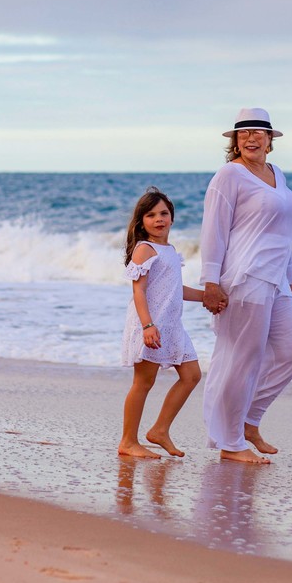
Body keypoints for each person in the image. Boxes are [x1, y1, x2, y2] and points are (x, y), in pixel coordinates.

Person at [200, 108, 292, 465]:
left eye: (258, 132)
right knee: (241, 362)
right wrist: (210, 283)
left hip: (275, 282)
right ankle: (231, 443)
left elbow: (283, 236)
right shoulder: (229, 175)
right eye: (243, 133)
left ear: (270, 140)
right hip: (243, 280)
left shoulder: (277, 173)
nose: (250, 137)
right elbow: (213, 230)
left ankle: (248, 421)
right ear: (235, 141)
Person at [118, 188, 205, 459]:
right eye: (151, 214)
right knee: (143, 382)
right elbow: (138, 291)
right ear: (141, 222)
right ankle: (128, 441)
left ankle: (159, 430)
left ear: (172, 217)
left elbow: (175, 289)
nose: (159, 219)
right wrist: (147, 326)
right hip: (150, 326)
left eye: (164, 213)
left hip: (172, 326)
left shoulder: (169, 250)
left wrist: (209, 297)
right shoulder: (145, 249)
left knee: (192, 376)